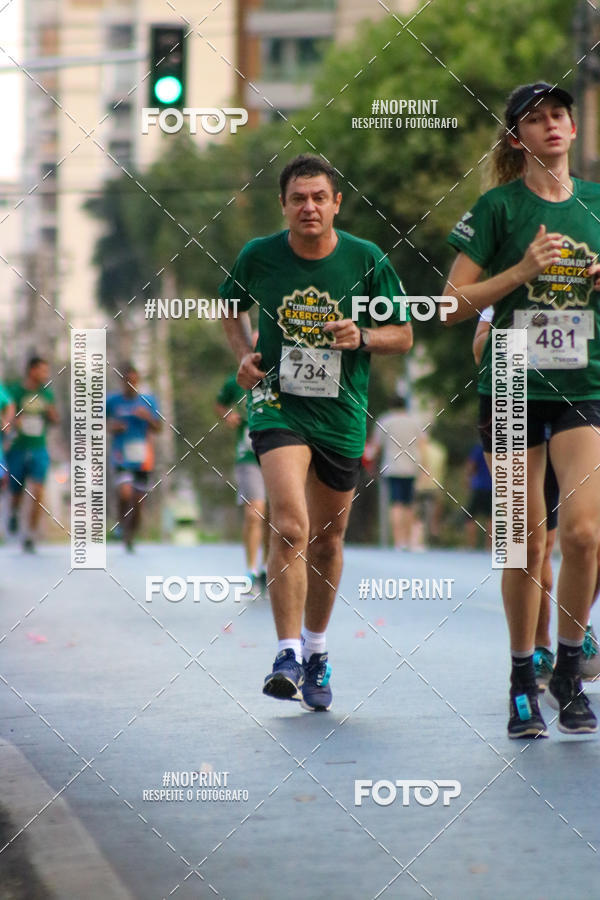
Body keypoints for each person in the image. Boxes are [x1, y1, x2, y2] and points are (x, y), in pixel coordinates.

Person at [220, 154, 412, 711]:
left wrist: (363, 337)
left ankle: (317, 651)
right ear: (283, 205)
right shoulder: (259, 256)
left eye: (318, 197)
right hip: (277, 405)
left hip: (341, 414)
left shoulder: (366, 259)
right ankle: (285, 653)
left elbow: (403, 334)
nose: (308, 207)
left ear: (336, 204)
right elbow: (229, 308)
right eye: (298, 198)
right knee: (289, 525)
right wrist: (245, 356)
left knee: (327, 541)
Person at [444, 82, 600, 738]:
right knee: (522, 540)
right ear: (517, 138)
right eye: (535, 119)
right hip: (510, 378)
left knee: (585, 534)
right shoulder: (497, 209)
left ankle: (567, 668)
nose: (551, 125)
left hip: (583, 381)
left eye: (559, 114)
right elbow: (450, 303)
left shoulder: (596, 205)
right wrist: (522, 271)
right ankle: (519, 677)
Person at [473, 309, 600, 688]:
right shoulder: (511, 268)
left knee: (588, 535)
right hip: (516, 399)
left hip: (583, 402)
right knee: (530, 541)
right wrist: (520, 334)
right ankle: (541, 646)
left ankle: (574, 631)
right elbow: (480, 350)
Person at [216, 368, 268, 591]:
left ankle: (267, 568)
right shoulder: (238, 378)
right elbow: (220, 403)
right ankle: (251, 569)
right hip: (248, 454)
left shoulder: (284, 375)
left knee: (275, 517)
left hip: (280, 454)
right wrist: (227, 415)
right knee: (255, 512)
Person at [5, 357, 59, 552]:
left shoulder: (47, 394)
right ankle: (14, 512)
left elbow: (55, 419)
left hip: (39, 448)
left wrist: (50, 411)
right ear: (31, 370)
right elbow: (6, 411)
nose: (45, 374)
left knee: (38, 491)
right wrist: (13, 421)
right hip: (18, 447)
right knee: (17, 491)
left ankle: (30, 534)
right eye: (42, 370)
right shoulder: (15, 391)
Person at [106, 364, 161, 551]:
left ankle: (131, 534)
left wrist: (148, 418)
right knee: (125, 492)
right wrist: (112, 427)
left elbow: (159, 428)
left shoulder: (148, 401)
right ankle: (122, 524)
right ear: (123, 381)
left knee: (138, 500)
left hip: (142, 456)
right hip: (121, 454)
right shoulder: (112, 401)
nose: (132, 384)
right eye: (128, 381)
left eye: (135, 381)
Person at [368, 396, 424, 550]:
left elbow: (375, 446)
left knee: (396, 504)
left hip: (392, 467)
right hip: (412, 467)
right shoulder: (414, 422)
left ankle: (399, 542)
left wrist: (371, 465)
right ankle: (410, 540)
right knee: (410, 504)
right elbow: (422, 444)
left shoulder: (385, 421)